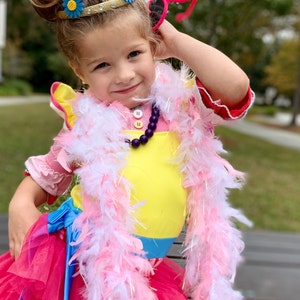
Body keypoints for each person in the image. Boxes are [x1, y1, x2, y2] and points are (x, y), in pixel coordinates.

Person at [0, 0, 254, 299]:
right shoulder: (85, 122)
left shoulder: (182, 108)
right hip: (83, 265)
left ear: (153, 45)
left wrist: (173, 39)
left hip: (148, 273)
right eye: (102, 65)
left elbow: (236, 87)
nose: (124, 74)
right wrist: (20, 203)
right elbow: (48, 173)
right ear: (79, 70)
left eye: (134, 54)